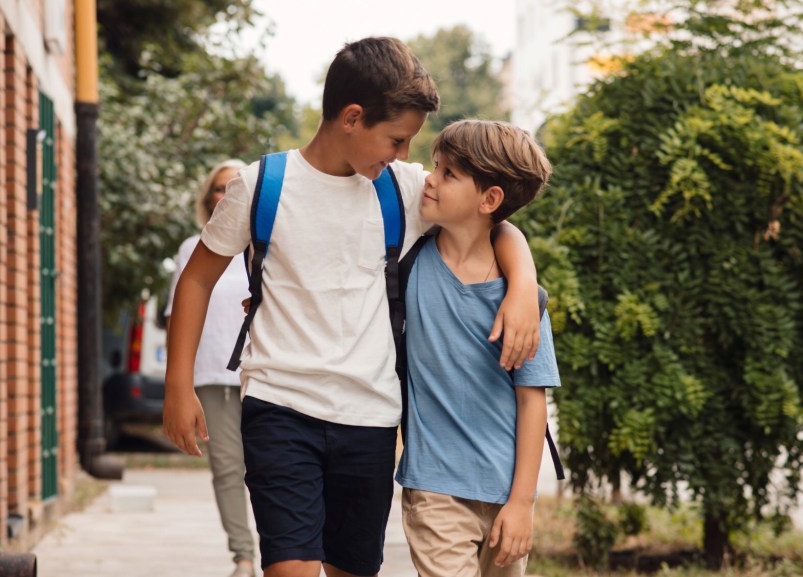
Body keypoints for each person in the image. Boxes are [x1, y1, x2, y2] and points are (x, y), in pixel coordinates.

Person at [164, 37, 542, 577]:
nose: (405, 155)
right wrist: (178, 385)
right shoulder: (262, 184)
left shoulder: (405, 190)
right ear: (352, 117)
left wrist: (523, 284)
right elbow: (197, 279)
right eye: (396, 139)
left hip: (370, 419)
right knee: (290, 567)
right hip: (279, 405)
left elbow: (494, 222)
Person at [394, 119, 561, 577]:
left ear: (489, 200)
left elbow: (533, 402)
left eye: (449, 174)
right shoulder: (410, 264)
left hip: (507, 493)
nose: (430, 178)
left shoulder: (523, 302)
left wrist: (523, 502)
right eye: (435, 166)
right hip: (434, 489)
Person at [164, 159, 256, 577]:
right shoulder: (192, 248)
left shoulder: (266, 243)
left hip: (264, 376)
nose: (224, 195)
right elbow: (177, 316)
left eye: (232, 187)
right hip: (213, 380)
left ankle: (283, 553)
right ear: (209, 198)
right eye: (218, 189)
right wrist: (180, 386)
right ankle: (243, 556)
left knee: (273, 468)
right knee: (227, 470)